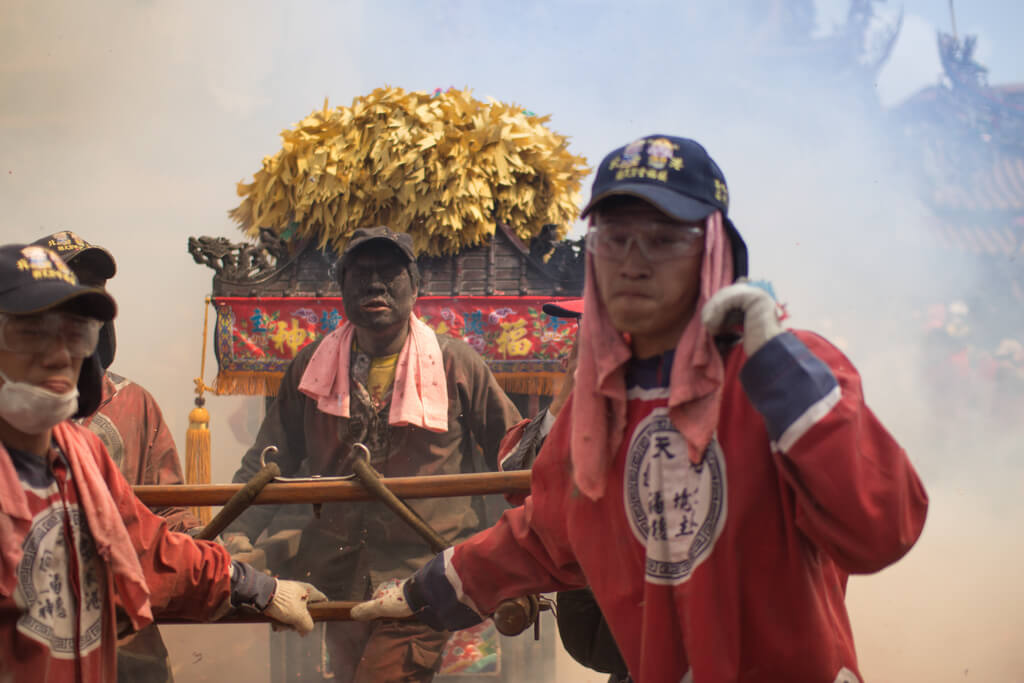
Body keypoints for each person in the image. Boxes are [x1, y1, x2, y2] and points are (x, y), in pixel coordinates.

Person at [350, 135, 930, 683]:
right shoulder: (598, 405)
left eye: (662, 239)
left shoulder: (791, 376)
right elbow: (547, 536)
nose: (632, 262)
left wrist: (777, 364)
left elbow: (882, 530)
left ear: (713, 253)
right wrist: (430, 588)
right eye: (614, 238)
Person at [0, 243, 325, 682]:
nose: (59, 354)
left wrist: (255, 586)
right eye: (30, 333)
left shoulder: (80, 452)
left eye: (75, 333)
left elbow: (147, 546)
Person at [222, 226, 522, 682]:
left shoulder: (455, 363)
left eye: (390, 273)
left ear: (415, 287)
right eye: (361, 273)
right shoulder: (310, 366)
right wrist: (234, 537)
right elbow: (268, 462)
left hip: (429, 569)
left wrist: (530, 540)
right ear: (341, 287)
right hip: (339, 574)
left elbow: (516, 452)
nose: (375, 284)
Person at [31, 230, 201, 682]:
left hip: (121, 623)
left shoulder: (134, 403)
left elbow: (169, 510)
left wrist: (209, 544)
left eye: (93, 292)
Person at [497, 298, 631, 683]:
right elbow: (517, 477)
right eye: (581, 332)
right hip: (601, 603)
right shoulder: (578, 406)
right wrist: (569, 389)